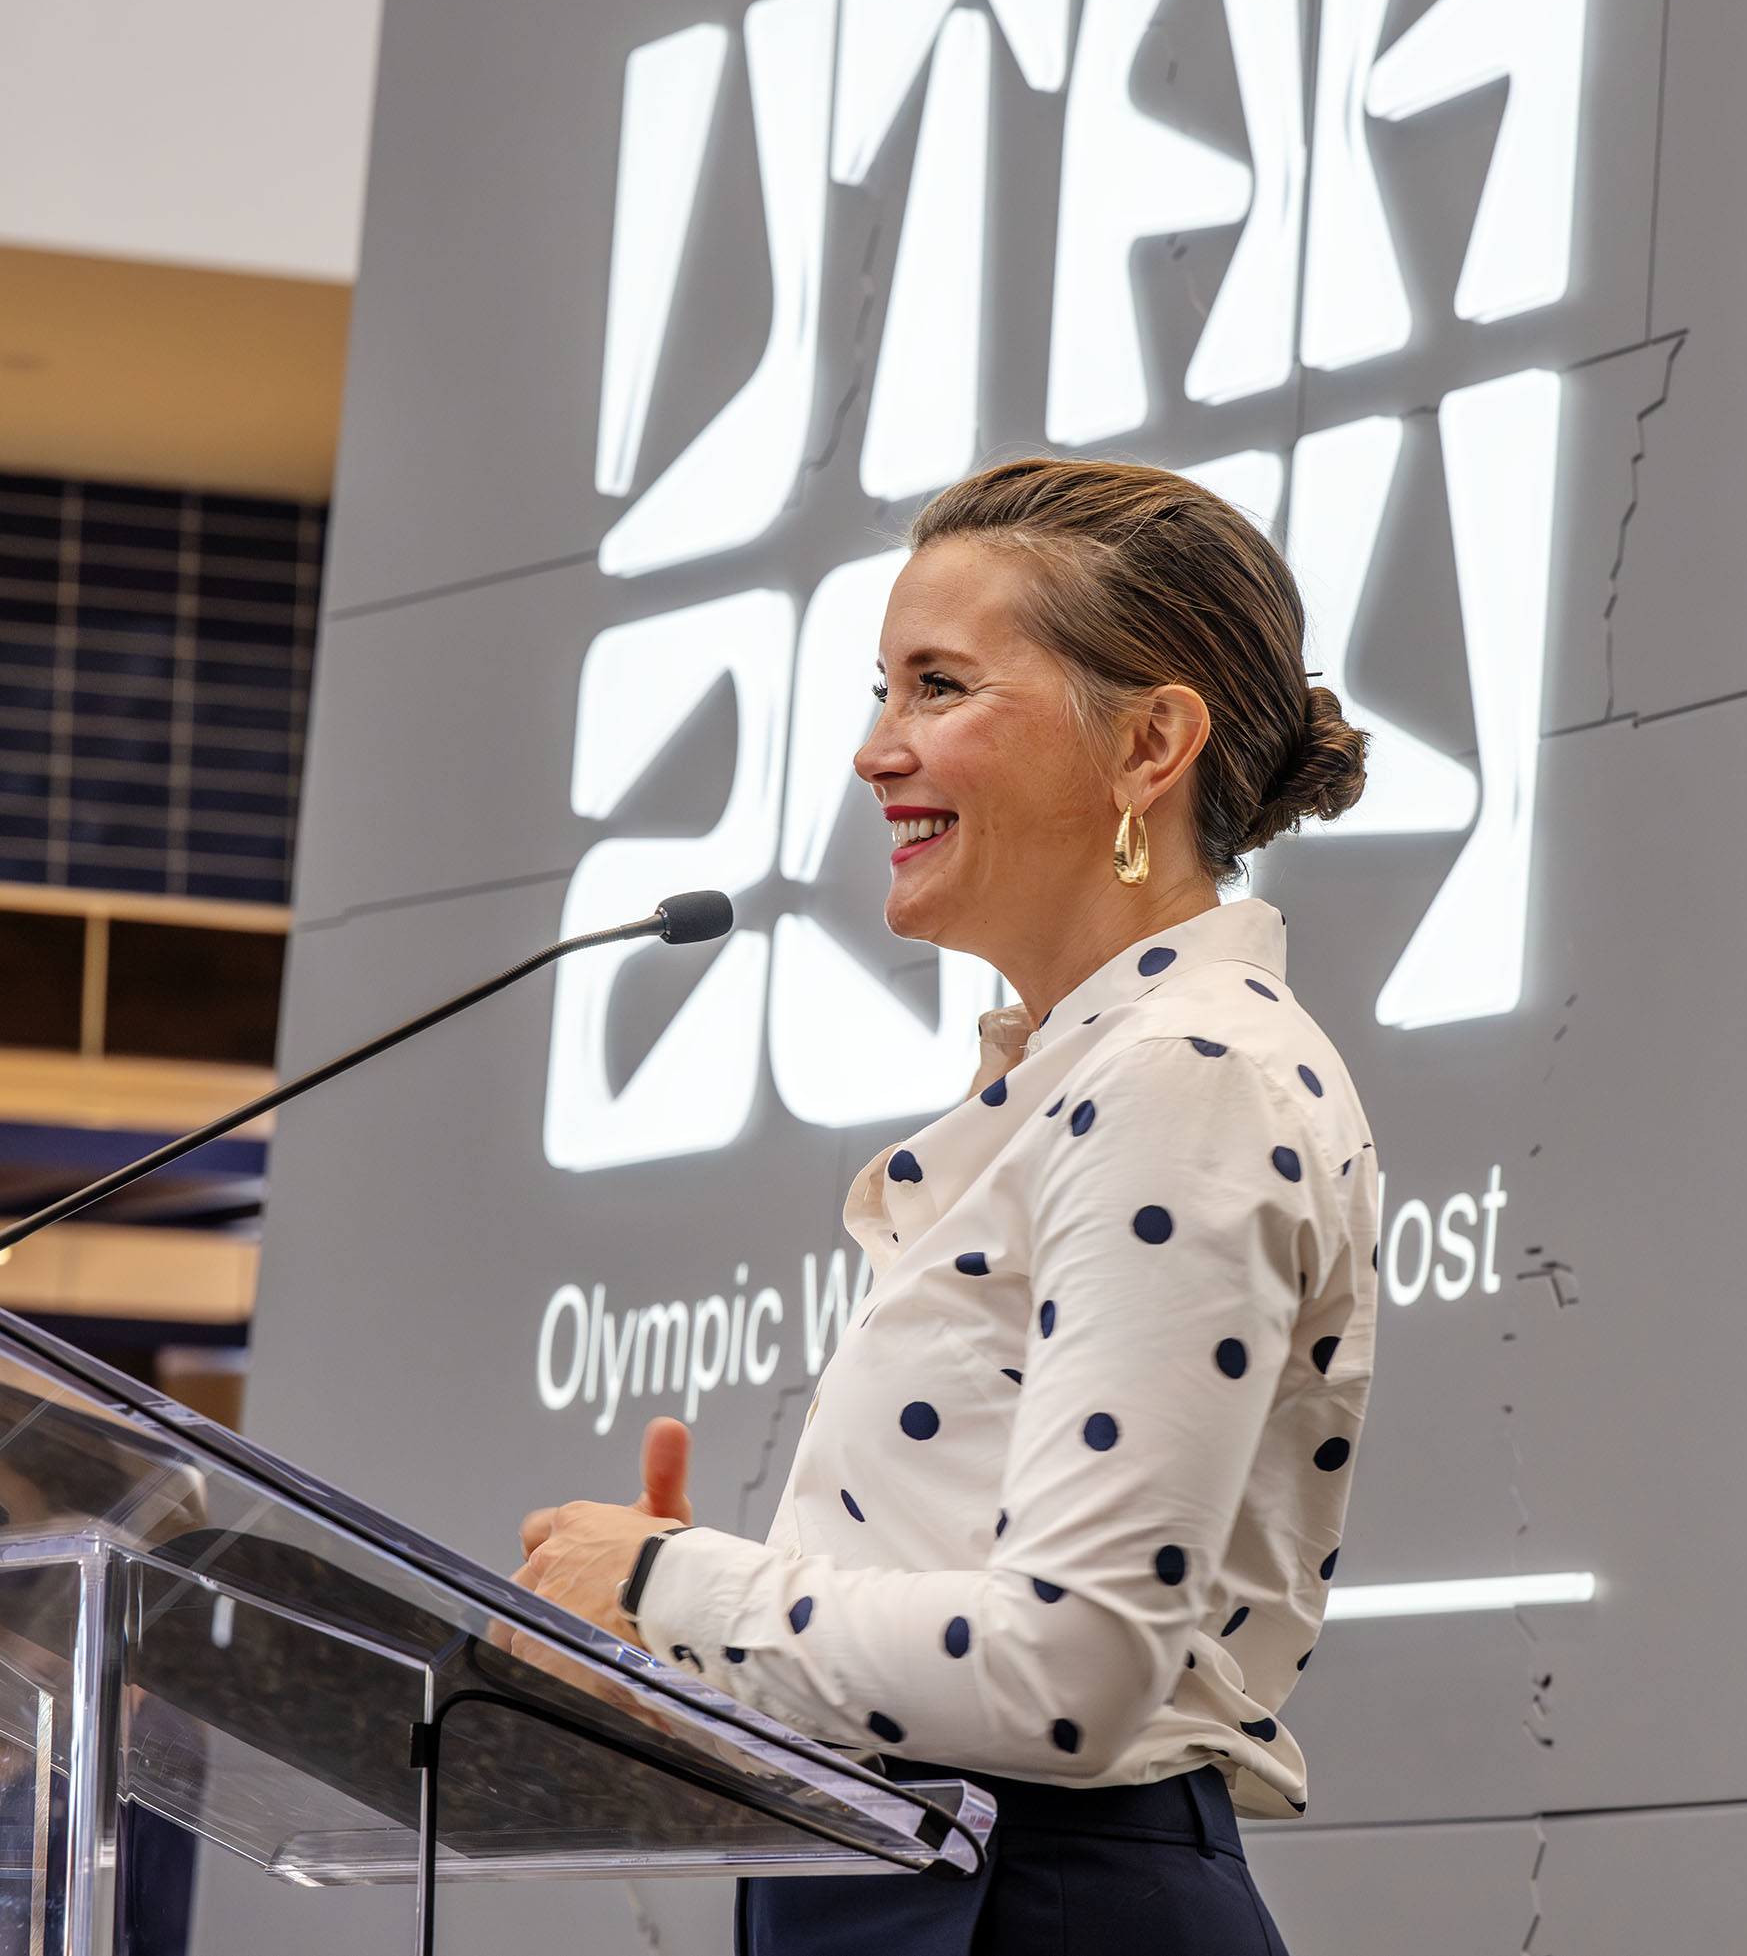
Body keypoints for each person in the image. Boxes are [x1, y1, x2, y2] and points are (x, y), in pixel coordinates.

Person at [518, 458, 1379, 1955]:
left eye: (938, 686)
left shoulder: (1187, 1076)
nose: (871, 750)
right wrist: (681, 1652)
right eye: (881, 688)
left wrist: (673, 1578)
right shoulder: (1098, 1070)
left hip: (1034, 1902)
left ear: (1151, 742)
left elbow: (1072, 1662)